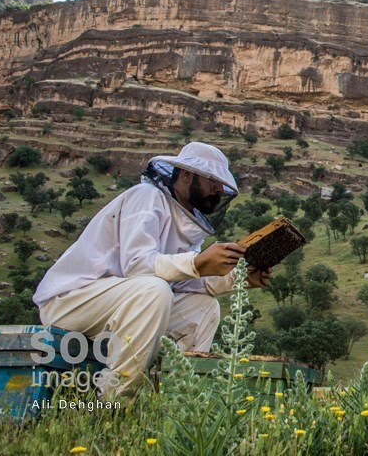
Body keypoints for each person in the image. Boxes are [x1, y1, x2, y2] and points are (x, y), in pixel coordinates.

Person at [33, 142, 271, 398]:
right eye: (212, 180)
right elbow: (138, 266)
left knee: (204, 307)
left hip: (124, 304)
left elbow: (183, 282)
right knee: (155, 290)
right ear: (187, 175)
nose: (218, 189)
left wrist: (237, 279)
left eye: (221, 184)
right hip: (73, 300)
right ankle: (113, 403)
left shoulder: (187, 221)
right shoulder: (146, 197)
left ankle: (178, 401)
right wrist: (196, 263)